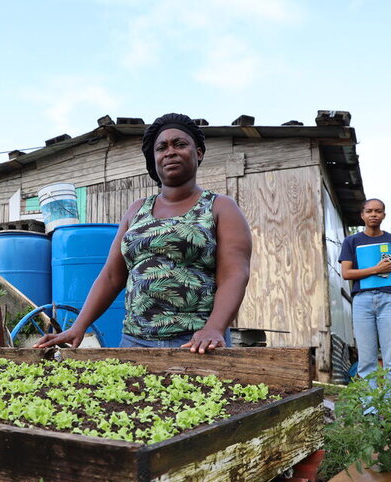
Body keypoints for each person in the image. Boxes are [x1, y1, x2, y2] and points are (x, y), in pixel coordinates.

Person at [35, 113, 252, 353]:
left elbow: (234, 275)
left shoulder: (220, 207)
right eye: (161, 147)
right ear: (154, 158)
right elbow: (111, 276)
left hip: (197, 343)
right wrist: (79, 326)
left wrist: (215, 328)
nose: (170, 151)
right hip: (134, 342)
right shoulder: (137, 210)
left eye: (180, 144)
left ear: (198, 153)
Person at [339, 198, 391, 383]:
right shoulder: (351, 241)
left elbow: (390, 269)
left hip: (389, 298)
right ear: (362, 215)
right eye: (369, 211)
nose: (373, 214)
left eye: (378, 211)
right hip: (362, 300)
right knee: (366, 360)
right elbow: (346, 273)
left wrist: (383, 270)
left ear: (384, 215)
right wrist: (376, 269)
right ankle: (370, 409)